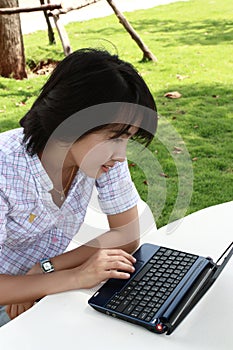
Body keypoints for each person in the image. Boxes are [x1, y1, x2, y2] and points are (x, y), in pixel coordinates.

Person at [0, 48, 157, 327]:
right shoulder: (5, 169)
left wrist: (45, 270)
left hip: (38, 291)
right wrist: (75, 276)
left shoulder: (101, 159)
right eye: (114, 137)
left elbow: (127, 233)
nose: (121, 155)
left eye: (127, 139)